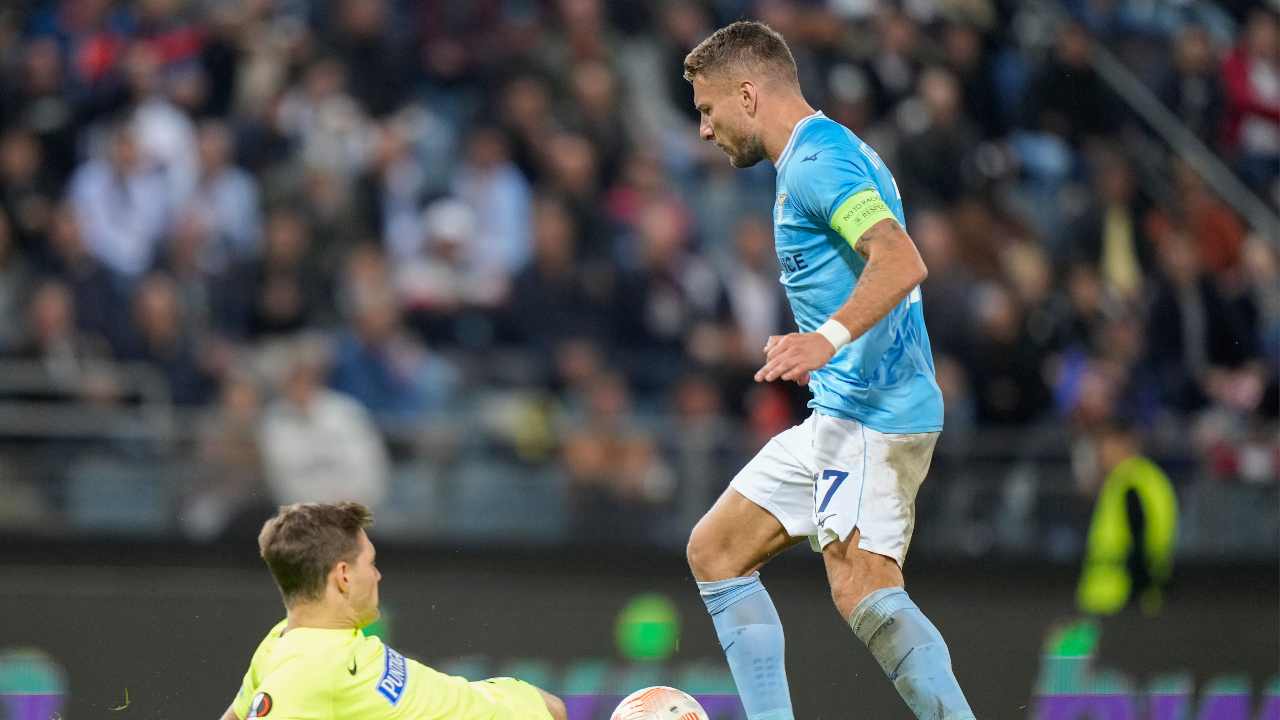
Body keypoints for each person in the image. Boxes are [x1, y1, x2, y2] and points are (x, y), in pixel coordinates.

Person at [681, 21, 975, 720]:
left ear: (747, 95)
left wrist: (826, 338)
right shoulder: (822, 153)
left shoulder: (818, 163)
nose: (703, 129)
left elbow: (900, 258)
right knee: (716, 550)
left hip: (876, 413)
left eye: (708, 109)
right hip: (840, 413)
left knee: (862, 587)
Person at [219, 501, 567, 720]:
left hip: (504, 701)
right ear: (343, 576)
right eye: (371, 563)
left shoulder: (281, 639)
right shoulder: (307, 671)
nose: (377, 576)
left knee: (552, 706)